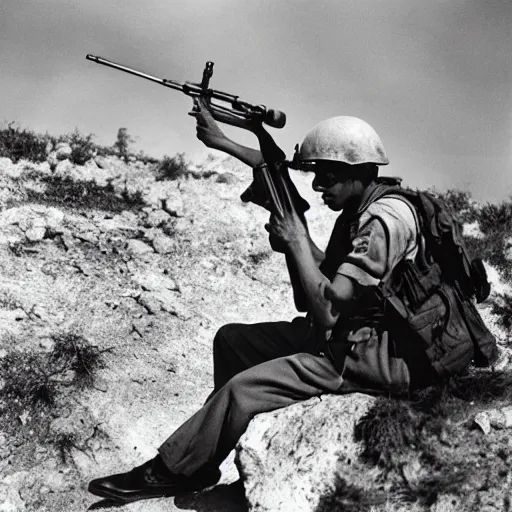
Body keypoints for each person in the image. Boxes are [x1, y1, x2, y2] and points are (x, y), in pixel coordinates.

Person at [88, 102, 448, 503]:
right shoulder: (363, 206)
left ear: (360, 171)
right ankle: (204, 454)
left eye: (327, 176)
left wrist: (295, 240)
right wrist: (223, 141)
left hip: (374, 358)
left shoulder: (381, 223)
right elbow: (326, 270)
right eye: (316, 175)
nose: (317, 186)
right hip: (354, 332)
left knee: (242, 391)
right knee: (232, 341)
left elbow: (327, 311)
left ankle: (172, 471)